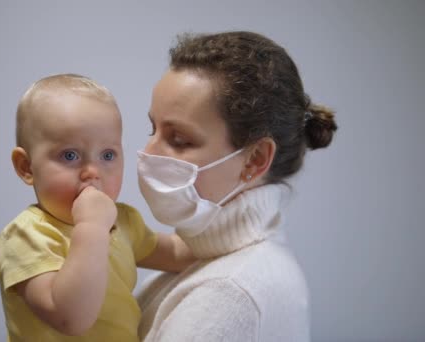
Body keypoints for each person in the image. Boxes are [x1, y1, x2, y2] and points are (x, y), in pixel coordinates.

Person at [136, 31, 337, 341]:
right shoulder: (210, 263)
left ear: (255, 159)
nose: (148, 153)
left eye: (179, 140)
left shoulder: (230, 292)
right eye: (153, 128)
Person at [0, 74, 194, 342]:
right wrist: (92, 228)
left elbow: (178, 254)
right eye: (70, 155)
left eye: (108, 155)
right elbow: (70, 318)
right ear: (26, 167)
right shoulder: (26, 236)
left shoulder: (124, 221)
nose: (92, 172)